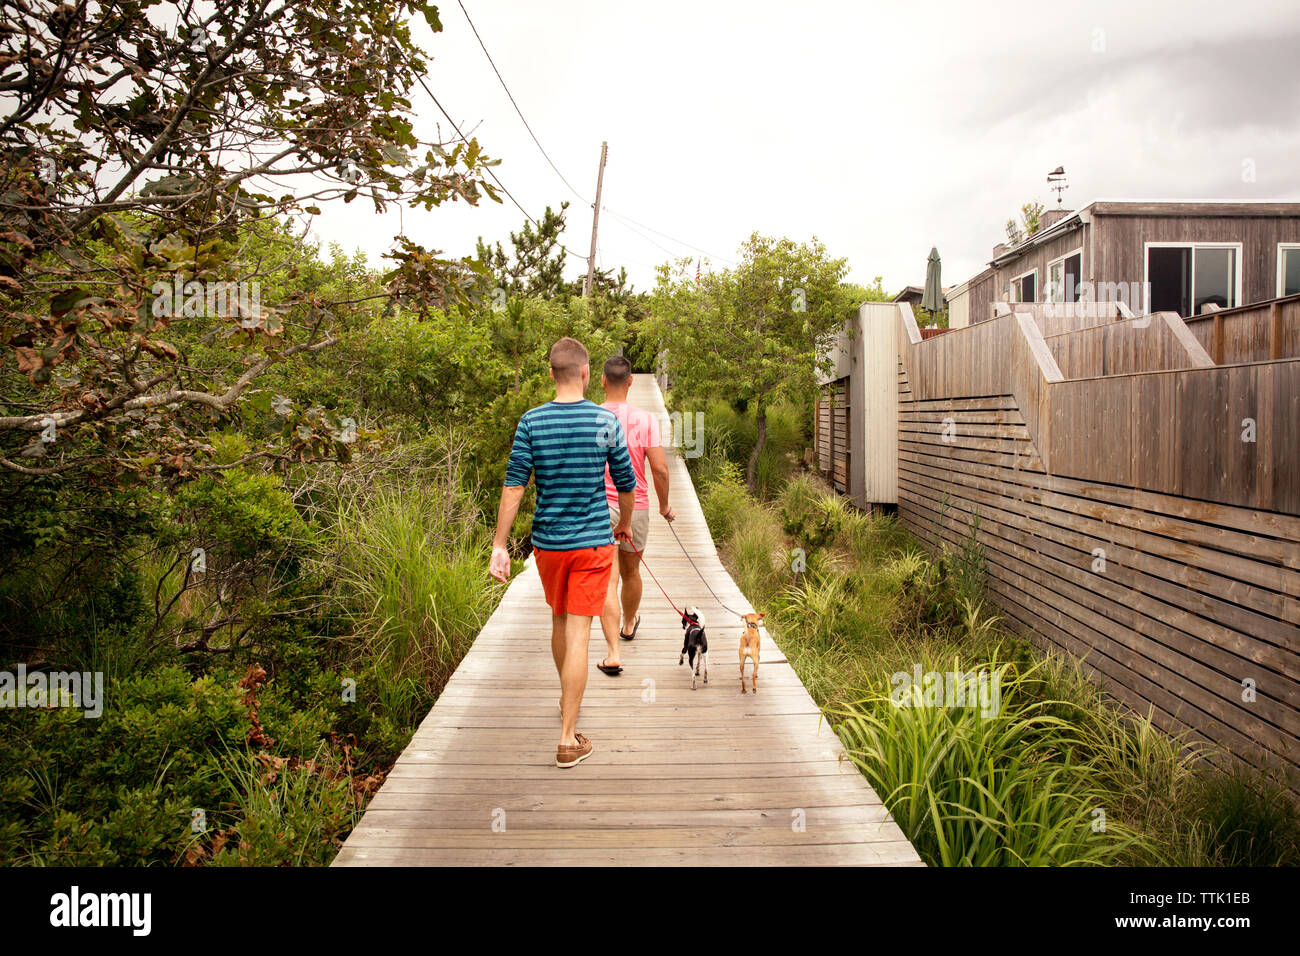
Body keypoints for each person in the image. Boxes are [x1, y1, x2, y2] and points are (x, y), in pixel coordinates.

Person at [489, 337, 636, 769]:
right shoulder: (603, 420)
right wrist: (623, 524)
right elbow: (625, 483)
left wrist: (500, 544)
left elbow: (515, 485)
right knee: (579, 632)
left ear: (551, 374)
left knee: (559, 620)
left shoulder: (532, 421)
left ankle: (565, 699)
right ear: (587, 373)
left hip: (549, 545)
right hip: (592, 541)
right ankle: (568, 738)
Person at [596, 355, 675, 675]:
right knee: (631, 572)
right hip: (636, 507)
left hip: (598, 508)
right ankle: (628, 624)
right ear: (630, 382)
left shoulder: (591, 417)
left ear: (602, 380)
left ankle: (612, 649)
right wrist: (665, 506)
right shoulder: (644, 420)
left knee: (607, 578)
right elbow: (660, 469)